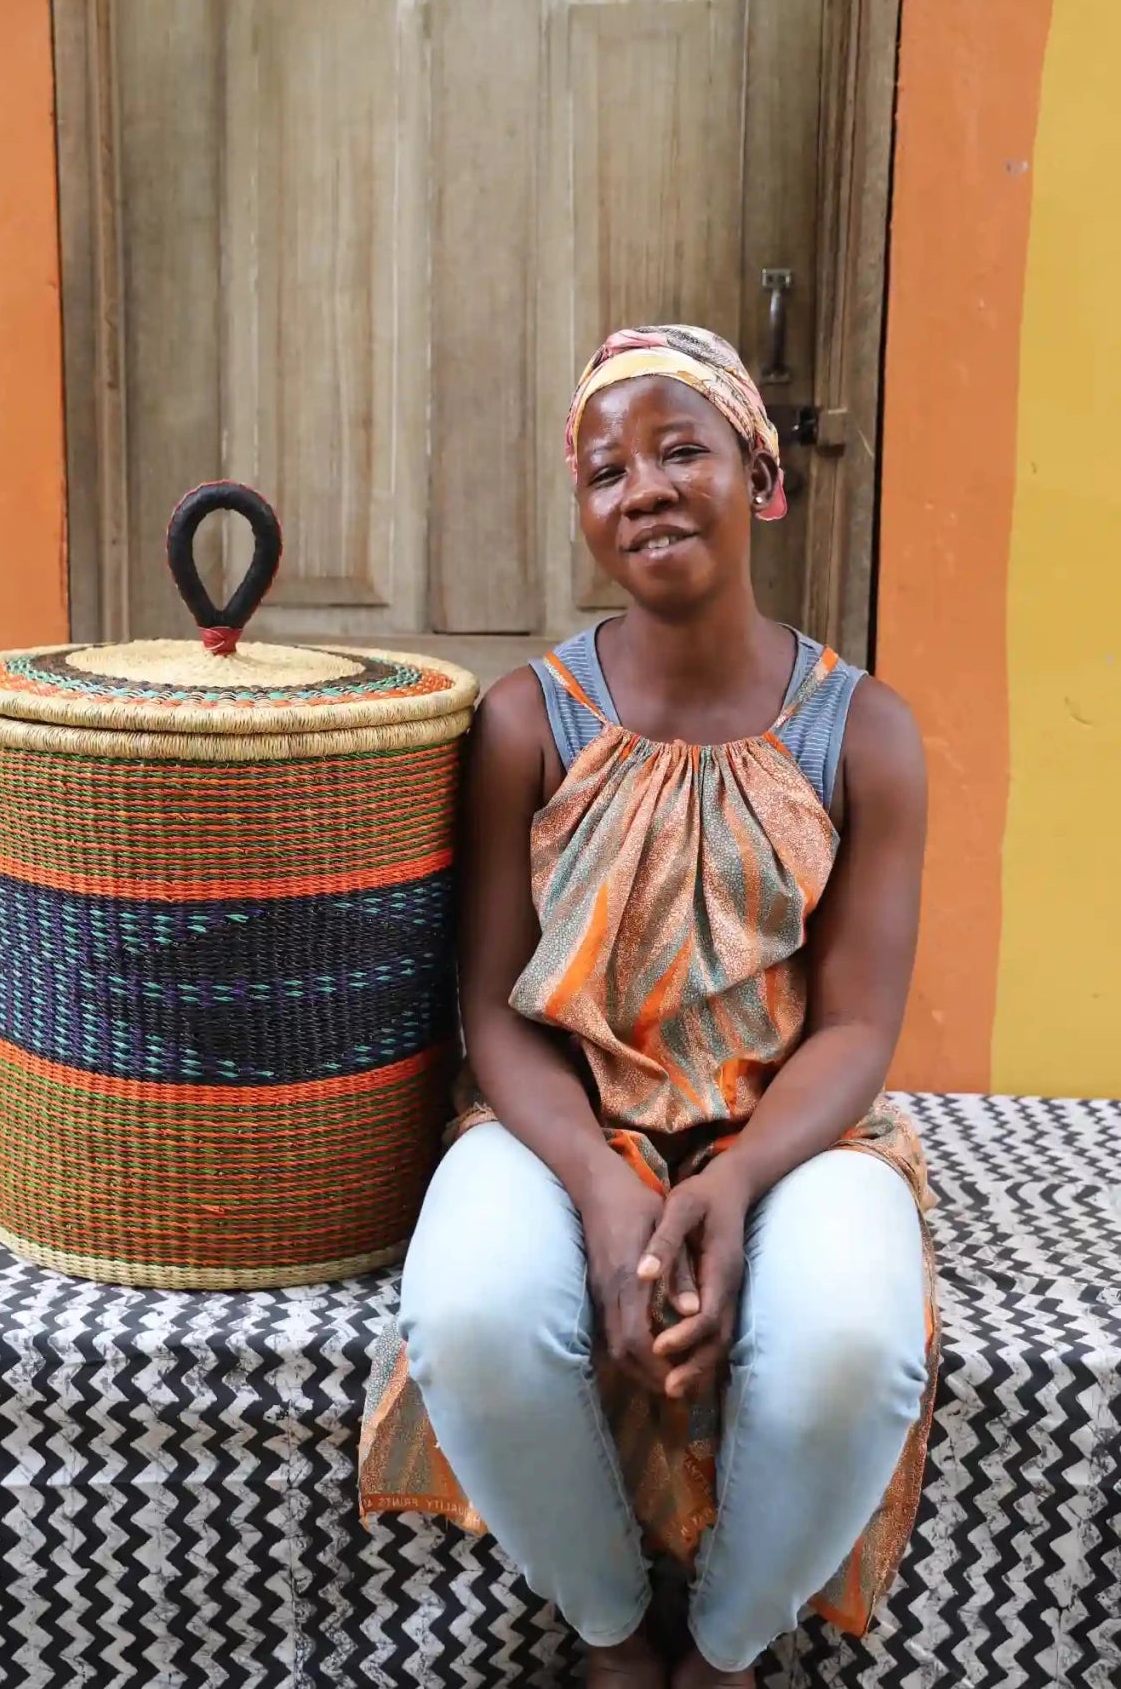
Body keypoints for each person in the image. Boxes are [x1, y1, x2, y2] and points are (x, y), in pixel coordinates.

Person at [359, 326, 938, 1688]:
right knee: (473, 1318)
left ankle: (729, 1642)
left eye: (683, 448)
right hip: (560, 1112)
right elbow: (493, 1010)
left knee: (851, 1347)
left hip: (794, 1126)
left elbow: (853, 1025)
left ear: (764, 477)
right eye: (605, 468)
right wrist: (603, 1188)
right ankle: (615, 1631)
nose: (645, 487)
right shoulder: (527, 722)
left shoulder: (862, 734)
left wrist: (730, 1186)